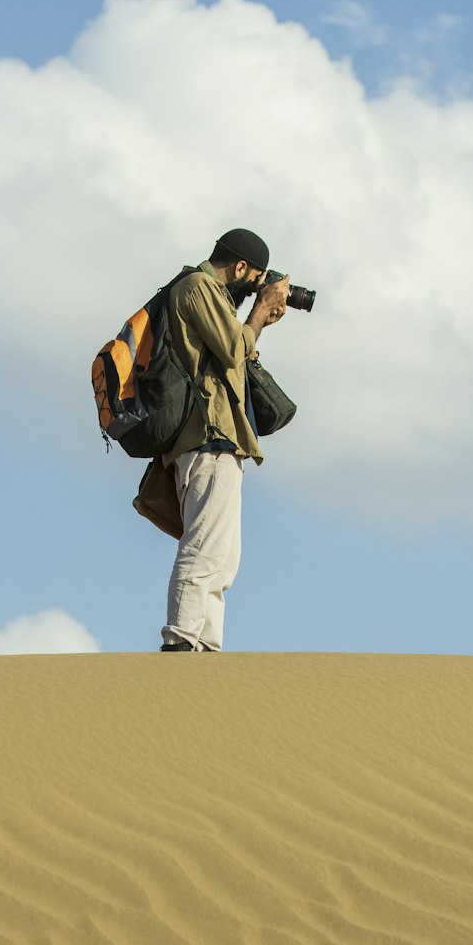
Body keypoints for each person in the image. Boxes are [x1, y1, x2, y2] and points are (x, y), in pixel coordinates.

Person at [159, 227, 290, 652]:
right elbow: (235, 348)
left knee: (221, 563)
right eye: (256, 280)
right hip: (206, 441)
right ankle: (180, 644)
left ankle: (206, 651)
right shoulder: (197, 287)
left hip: (224, 444)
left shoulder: (214, 300)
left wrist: (260, 320)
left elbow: (235, 351)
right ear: (240, 267)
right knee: (203, 551)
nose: (257, 290)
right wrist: (259, 312)